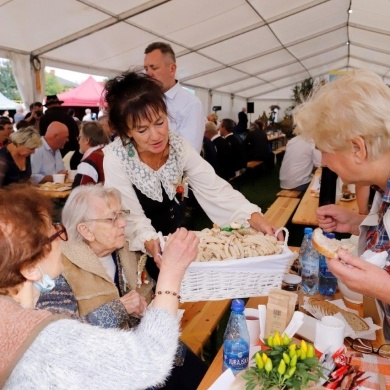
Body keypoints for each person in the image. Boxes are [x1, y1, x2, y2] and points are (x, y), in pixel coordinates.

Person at [0, 184, 199, 389]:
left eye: (121, 214)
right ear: (30, 268)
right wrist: (171, 273)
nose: (62, 237)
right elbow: (147, 361)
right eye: (54, 233)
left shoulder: (126, 253)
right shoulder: (44, 338)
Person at [103, 70, 280, 282]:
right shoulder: (116, 157)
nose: (156, 135)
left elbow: (213, 187)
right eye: (142, 130)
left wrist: (253, 218)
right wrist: (152, 244)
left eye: (160, 122)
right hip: (139, 250)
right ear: (127, 132)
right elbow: (130, 215)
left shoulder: (177, 145)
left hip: (175, 240)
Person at [293, 69, 390, 339]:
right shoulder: (383, 186)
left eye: (325, 150)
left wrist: (381, 287)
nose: (324, 162)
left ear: (358, 148)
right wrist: (356, 223)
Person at [144, 42, 205, 153]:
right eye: (146, 69)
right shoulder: (146, 100)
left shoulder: (191, 104)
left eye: (153, 68)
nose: (149, 73)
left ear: (172, 69)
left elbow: (190, 153)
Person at [39, 95, 80, 163]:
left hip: (50, 152)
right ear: (59, 104)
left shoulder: (44, 118)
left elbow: (42, 136)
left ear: (47, 106)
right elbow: (76, 134)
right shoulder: (68, 117)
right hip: (70, 152)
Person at [72, 122, 109, 187]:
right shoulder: (109, 153)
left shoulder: (87, 164)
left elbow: (79, 193)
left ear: (87, 140)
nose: (78, 142)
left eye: (79, 137)